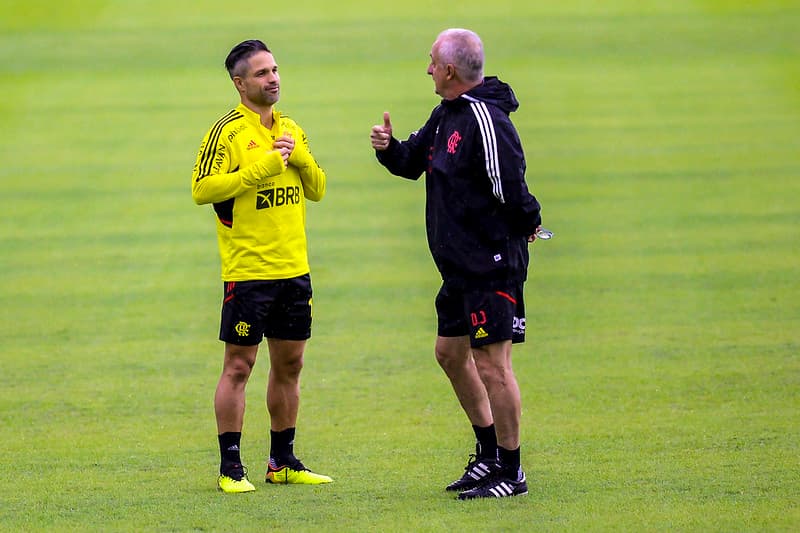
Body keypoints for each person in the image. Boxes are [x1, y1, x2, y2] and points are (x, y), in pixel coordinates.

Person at [370, 28, 544, 500]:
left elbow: (511, 184)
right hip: (459, 268)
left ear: (449, 69)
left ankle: (512, 471)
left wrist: (528, 223)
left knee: (494, 365)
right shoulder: (446, 114)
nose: (427, 68)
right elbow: (412, 162)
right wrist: (388, 148)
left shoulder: (487, 119)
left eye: (431, 62)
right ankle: (488, 455)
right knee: (449, 353)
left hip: (490, 264)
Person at [192, 39, 332, 493]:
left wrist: (301, 156)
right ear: (239, 83)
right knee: (239, 366)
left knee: (290, 366)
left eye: (274, 70)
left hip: (293, 268)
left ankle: (283, 461)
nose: (272, 78)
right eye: (261, 73)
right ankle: (231, 468)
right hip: (249, 271)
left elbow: (317, 189)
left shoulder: (291, 127)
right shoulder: (228, 132)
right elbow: (203, 189)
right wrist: (263, 168)